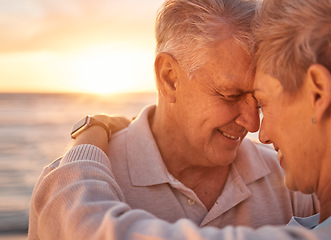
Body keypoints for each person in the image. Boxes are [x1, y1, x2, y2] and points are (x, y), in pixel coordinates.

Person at [27, 0, 322, 239]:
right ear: (169, 78)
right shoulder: (67, 182)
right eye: (231, 95)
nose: (253, 124)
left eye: (258, 100)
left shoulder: (295, 180)